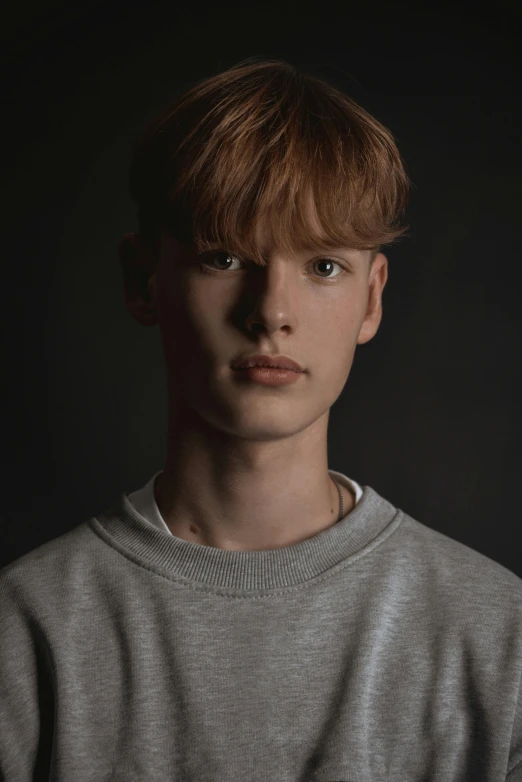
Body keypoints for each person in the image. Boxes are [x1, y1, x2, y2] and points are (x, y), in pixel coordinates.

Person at [1, 57, 521, 781]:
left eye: (323, 267)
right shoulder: (27, 629)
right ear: (141, 280)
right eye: (223, 256)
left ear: (372, 299)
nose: (271, 312)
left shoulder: (500, 634)